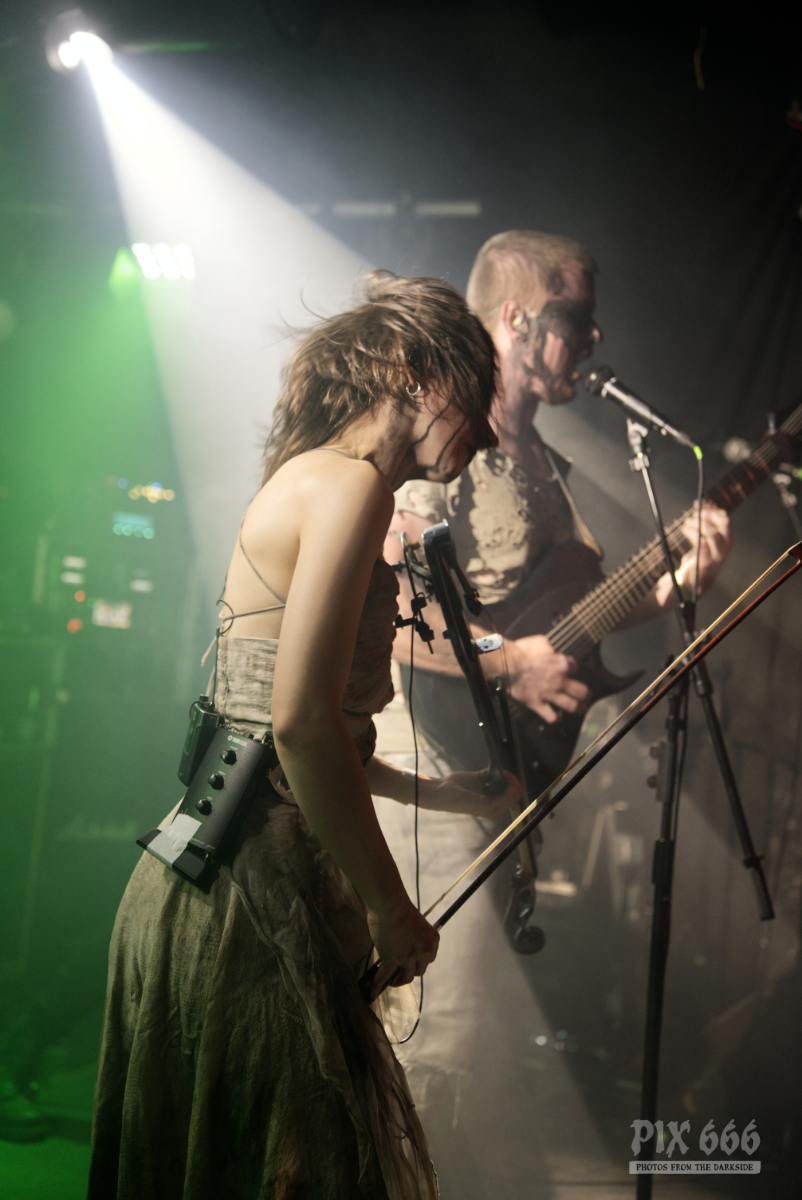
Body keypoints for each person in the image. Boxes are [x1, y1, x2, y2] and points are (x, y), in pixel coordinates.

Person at [87, 272, 523, 1200]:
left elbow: (290, 726)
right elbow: (299, 726)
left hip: (220, 880)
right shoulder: (353, 487)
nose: (486, 433)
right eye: (475, 397)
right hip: (251, 901)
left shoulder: (317, 478)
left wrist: (441, 792)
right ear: (413, 373)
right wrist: (391, 908)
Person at [376, 231, 732, 1146]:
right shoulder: (447, 439)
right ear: (516, 319)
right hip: (426, 756)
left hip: (497, 773)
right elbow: (399, 608)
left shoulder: (546, 463)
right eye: (575, 317)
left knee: (460, 1034)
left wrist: (674, 586)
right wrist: (509, 662)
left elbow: (567, 616)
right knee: (431, 1030)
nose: (594, 337)